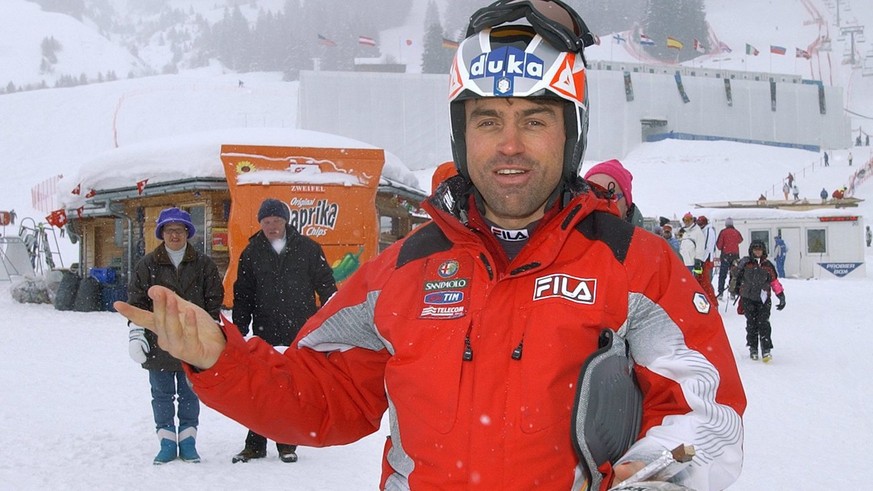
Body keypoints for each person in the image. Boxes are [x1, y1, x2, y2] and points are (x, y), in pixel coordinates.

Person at [115, 3, 746, 490]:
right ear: (460, 133)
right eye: (487, 120)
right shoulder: (404, 270)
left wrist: (663, 476)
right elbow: (321, 393)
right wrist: (224, 358)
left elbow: (705, 408)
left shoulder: (638, 266)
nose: (509, 145)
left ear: (570, 134)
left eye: (534, 119)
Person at [230, 198, 338, 464]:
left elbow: (326, 285)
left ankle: (287, 443)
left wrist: (333, 317)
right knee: (261, 385)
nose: (271, 226)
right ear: (260, 224)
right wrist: (239, 329)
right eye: (266, 222)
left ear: (285, 221)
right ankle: (255, 444)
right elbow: (243, 294)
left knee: (291, 386)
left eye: (276, 221)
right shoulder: (252, 252)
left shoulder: (309, 249)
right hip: (264, 329)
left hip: (299, 330)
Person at [126, 207, 224, 464]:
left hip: (193, 343)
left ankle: (188, 440)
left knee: (191, 393)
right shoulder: (146, 265)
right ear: (162, 233)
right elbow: (137, 302)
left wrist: (211, 331)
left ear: (187, 233)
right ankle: (167, 442)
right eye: (169, 230)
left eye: (179, 230)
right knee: (161, 394)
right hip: (160, 341)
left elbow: (214, 301)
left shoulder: (204, 265)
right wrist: (136, 334)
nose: (174, 235)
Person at [732, 240, 785, 362]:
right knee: (751, 324)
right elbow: (735, 274)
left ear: (763, 251)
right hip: (748, 298)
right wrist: (738, 265)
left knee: (764, 324)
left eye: (759, 249)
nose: (757, 251)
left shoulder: (768, 265)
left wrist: (781, 296)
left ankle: (766, 349)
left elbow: (774, 282)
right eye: (755, 249)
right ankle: (753, 347)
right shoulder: (746, 263)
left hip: (763, 299)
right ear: (751, 250)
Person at [582, 159, 643, 226]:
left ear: (626, 206)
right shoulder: (571, 232)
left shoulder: (641, 236)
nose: (599, 203)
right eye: (592, 195)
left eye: (609, 196)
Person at [715, 217, 743, 297]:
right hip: (735, 256)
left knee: (722, 275)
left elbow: (719, 246)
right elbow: (740, 240)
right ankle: (732, 292)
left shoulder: (723, 232)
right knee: (734, 274)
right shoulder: (736, 232)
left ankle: (720, 292)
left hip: (725, 256)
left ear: (726, 224)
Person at [696, 215, 718, 305]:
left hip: (706, 260)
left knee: (706, 283)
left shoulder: (709, 231)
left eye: (701, 223)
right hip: (702, 260)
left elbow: (708, 247)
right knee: (701, 282)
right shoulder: (703, 230)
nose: (699, 225)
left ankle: (713, 303)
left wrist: (702, 260)